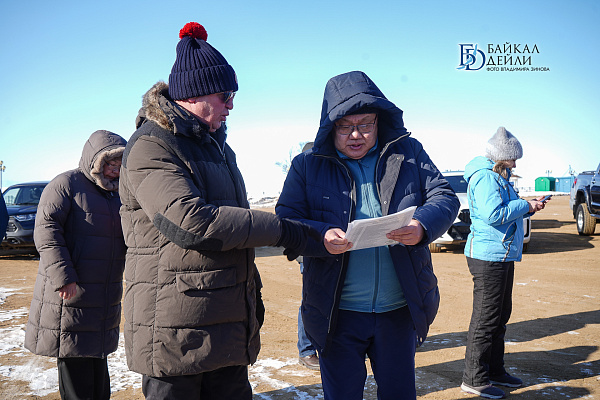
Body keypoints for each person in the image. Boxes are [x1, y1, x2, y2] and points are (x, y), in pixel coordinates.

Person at [118, 22, 317, 400]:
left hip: (225, 323)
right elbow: (192, 223)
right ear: (194, 94)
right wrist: (284, 230)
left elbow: (236, 228)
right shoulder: (150, 145)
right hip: (176, 331)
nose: (231, 104)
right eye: (225, 95)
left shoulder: (220, 150)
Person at [276, 71, 460, 400]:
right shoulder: (307, 165)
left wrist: (421, 225)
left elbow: (444, 197)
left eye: (365, 124)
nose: (356, 134)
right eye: (345, 126)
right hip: (337, 315)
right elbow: (286, 220)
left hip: (398, 310)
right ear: (330, 125)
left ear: (379, 121)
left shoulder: (408, 152)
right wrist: (321, 235)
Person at [24, 130, 127, 400]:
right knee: (74, 358)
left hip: (104, 294)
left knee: (98, 364)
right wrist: (64, 277)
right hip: (71, 291)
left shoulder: (120, 193)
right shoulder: (66, 184)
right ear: (95, 160)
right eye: (109, 163)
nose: (114, 169)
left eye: (120, 164)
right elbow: (46, 232)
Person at [460, 127, 547, 399]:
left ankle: (495, 370)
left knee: (499, 317)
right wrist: (525, 206)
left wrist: (528, 206)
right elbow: (493, 214)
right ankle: (474, 379)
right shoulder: (486, 177)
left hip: (501, 254)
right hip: (488, 256)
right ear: (500, 156)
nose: (515, 164)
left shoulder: (498, 176)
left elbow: (504, 210)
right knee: (486, 320)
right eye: (513, 159)